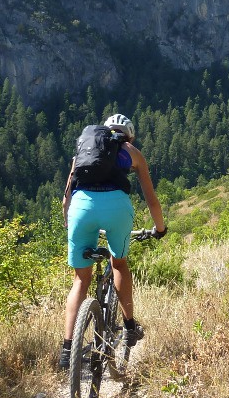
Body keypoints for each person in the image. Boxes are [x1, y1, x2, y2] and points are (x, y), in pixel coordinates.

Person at [59, 113, 166, 370]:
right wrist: (160, 229)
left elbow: (66, 197)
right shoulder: (132, 152)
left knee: (80, 279)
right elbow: (151, 200)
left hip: (81, 208)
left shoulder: (84, 150)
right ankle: (129, 326)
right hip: (117, 208)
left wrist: (68, 221)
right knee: (119, 264)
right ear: (128, 135)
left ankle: (66, 348)